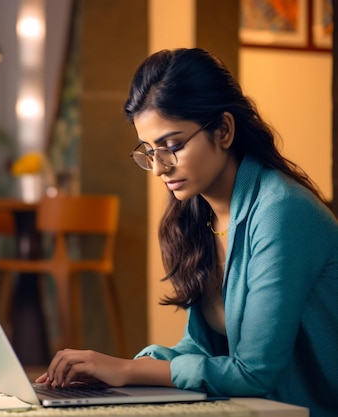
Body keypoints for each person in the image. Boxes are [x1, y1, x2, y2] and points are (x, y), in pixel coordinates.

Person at [35, 48, 338, 417]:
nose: (160, 167)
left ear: (224, 130)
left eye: (172, 146)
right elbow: (202, 351)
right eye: (148, 152)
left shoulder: (280, 213)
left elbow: (254, 373)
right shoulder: (199, 216)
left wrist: (129, 371)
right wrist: (114, 370)